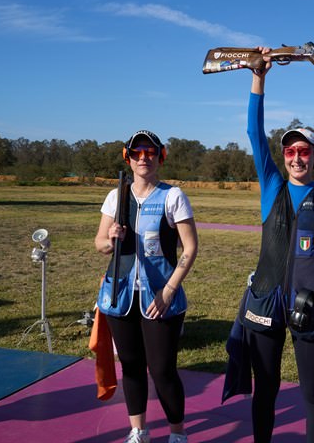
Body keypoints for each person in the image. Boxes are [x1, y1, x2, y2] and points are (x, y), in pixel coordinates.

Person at [240, 47, 314, 443]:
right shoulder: (272, 187)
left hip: (309, 303)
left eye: (304, 151)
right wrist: (258, 77)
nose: (296, 158)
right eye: (290, 151)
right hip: (265, 300)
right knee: (265, 391)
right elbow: (255, 135)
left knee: (313, 394)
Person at [95, 130, 198, 443]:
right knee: (131, 366)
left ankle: (178, 434)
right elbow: (99, 244)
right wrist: (110, 239)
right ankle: (138, 430)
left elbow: (190, 248)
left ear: (160, 157)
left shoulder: (173, 196)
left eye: (150, 152)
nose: (144, 158)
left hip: (160, 297)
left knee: (163, 370)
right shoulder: (116, 196)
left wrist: (169, 290)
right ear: (128, 157)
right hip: (120, 295)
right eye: (137, 153)